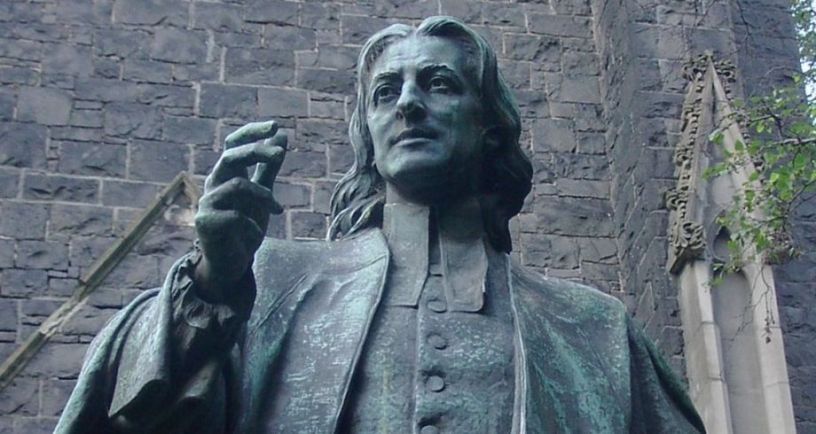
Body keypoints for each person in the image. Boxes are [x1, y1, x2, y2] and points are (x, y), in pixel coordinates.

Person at [56, 16, 705, 433]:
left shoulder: (593, 329)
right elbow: (130, 417)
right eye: (386, 92)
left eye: (439, 84)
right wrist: (211, 285)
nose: (409, 104)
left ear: (489, 125)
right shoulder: (267, 284)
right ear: (367, 134)